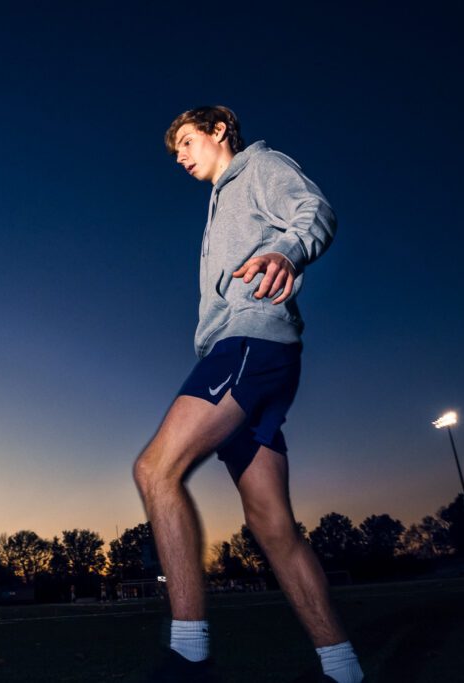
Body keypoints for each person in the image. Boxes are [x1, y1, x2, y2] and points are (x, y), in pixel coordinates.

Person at [134, 106, 363, 683]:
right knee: (273, 527)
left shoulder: (259, 165)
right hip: (255, 358)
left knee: (154, 470)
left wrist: (289, 252)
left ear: (218, 132)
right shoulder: (220, 201)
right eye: (175, 152)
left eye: (187, 142)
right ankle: (343, 670)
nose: (180, 157)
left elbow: (316, 210)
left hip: (248, 345)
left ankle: (189, 655)